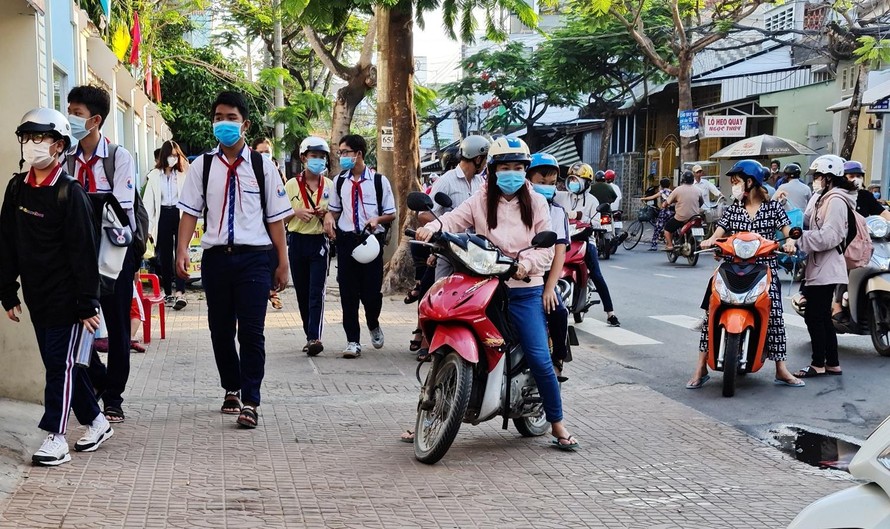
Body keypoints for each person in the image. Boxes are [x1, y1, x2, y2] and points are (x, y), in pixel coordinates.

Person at [415, 137, 579, 450]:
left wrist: (524, 265)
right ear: (492, 169)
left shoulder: (537, 202)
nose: (511, 173)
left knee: (539, 357)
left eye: (518, 167)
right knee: (442, 334)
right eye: (505, 167)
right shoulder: (480, 198)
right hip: (483, 285)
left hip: (523, 290)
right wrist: (432, 228)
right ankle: (428, 410)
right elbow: (453, 219)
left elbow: (546, 250)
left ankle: (557, 423)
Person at [0, 108, 112, 466]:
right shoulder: (16, 188)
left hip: (68, 297)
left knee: (58, 368)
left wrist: (87, 302)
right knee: (60, 363)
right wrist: (7, 290)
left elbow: (83, 252)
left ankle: (56, 437)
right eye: (27, 137)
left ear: (59, 145)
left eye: (40, 137)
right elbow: (7, 242)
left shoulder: (69, 192)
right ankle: (97, 421)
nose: (32, 144)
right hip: (37, 295)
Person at [175, 91, 291, 429]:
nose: (223, 124)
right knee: (220, 330)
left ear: (245, 124)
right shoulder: (202, 166)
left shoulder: (263, 166)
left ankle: (251, 401)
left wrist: (282, 262)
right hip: (216, 259)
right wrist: (181, 250)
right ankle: (232, 387)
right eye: (218, 118)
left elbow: (276, 219)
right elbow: (189, 213)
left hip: (254, 258)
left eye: (231, 118)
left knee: (252, 332)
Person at [687, 160, 803, 389]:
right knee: (712, 310)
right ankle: (701, 367)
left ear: (750, 182)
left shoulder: (773, 208)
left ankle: (781, 369)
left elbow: (788, 230)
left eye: (736, 181)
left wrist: (790, 241)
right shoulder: (734, 209)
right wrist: (710, 241)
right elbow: (719, 232)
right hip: (733, 266)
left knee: (775, 314)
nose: (734, 186)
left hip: (764, 267)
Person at [67, 85, 138, 424]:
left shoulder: (118, 158)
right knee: (75, 319)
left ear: (94, 120)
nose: (70, 118)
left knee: (118, 325)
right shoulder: (65, 156)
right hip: (77, 254)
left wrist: (78, 205)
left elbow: (119, 209)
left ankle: (114, 397)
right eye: (69, 111)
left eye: (76, 113)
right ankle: (97, 379)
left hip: (113, 253)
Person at [323, 134, 396, 358]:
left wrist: (377, 219)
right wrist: (329, 216)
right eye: (340, 153)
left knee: (371, 294)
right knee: (348, 294)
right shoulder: (339, 181)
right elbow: (335, 209)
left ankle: (373, 323)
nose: (342, 157)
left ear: (358, 154)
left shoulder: (378, 181)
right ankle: (353, 341)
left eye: (345, 152)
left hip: (371, 242)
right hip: (347, 241)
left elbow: (391, 213)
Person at [793, 154, 855, 378]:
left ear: (829, 177)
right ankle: (833, 363)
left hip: (827, 266)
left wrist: (801, 238)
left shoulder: (836, 200)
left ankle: (818, 363)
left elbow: (831, 236)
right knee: (821, 316)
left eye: (818, 176)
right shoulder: (823, 198)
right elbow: (807, 221)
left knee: (814, 316)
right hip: (820, 265)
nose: (815, 180)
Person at [554, 163, 620, 327]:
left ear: (586, 182)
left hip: (585, 240)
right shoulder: (561, 197)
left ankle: (610, 313)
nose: (573, 183)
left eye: (577, 180)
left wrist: (583, 220)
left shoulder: (592, 200)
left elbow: (596, 222)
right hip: (563, 240)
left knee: (596, 274)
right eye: (571, 179)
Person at [284, 137, 333, 356]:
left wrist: (327, 214)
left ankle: (315, 336)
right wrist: (295, 212)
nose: (318, 160)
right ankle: (309, 334)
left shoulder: (330, 185)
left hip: (319, 242)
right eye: (314, 156)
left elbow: (336, 213)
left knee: (316, 292)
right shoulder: (291, 185)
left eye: (322, 157)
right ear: (303, 158)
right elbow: (279, 216)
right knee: (302, 292)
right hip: (296, 241)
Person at [527, 153, 571, 378]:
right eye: (541, 182)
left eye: (551, 183)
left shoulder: (557, 212)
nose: (546, 187)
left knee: (558, 311)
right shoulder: (513, 207)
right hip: (512, 271)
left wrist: (550, 288)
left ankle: (558, 360)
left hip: (543, 274)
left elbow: (559, 252)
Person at [142, 140, 188, 310]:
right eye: (170, 155)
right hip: (163, 216)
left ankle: (180, 292)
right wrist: (147, 228)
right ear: (164, 156)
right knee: (166, 256)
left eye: (175, 156)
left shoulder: (183, 174)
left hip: (179, 214)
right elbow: (148, 203)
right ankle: (168, 291)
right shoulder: (155, 176)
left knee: (181, 251)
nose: (173, 159)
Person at [252, 137, 285, 310]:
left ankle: (272, 290)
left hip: (272, 220)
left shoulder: (276, 172)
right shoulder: (248, 170)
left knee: (273, 254)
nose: (264, 155)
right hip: (254, 223)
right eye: (260, 152)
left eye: (267, 152)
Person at [662, 171, 702, 252]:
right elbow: (701, 202)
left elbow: (668, 202)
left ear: (683, 180)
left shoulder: (678, 190)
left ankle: (669, 245)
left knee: (667, 229)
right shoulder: (698, 190)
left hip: (681, 218)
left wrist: (664, 205)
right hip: (695, 217)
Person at [642, 178, 673, 251]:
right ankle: (669, 243)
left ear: (661, 186)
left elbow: (652, 197)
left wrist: (643, 199)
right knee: (669, 228)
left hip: (664, 212)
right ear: (669, 185)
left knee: (657, 228)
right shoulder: (672, 192)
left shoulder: (662, 192)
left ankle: (654, 245)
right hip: (672, 212)